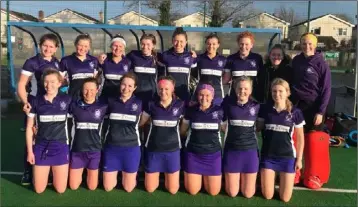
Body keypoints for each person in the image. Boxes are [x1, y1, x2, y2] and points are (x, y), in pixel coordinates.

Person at [17, 33, 61, 185]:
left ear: (56, 49)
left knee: (49, 136)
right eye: (45, 45)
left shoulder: (58, 63)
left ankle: (46, 171)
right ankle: (28, 171)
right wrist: (25, 102)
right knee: (33, 138)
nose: (47, 49)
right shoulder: (32, 62)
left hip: (52, 107)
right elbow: (22, 84)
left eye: (51, 46)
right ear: (40, 46)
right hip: (36, 104)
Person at [256, 78, 305, 202]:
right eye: (274, 91)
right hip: (268, 157)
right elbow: (257, 128)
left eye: (280, 91)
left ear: (287, 92)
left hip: (287, 157)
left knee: (285, 198)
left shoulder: (295, 112)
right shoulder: (265, 109)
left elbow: (300, 138)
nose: (277, 94)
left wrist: (299, 160)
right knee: (267, 195)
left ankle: (282, 181)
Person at [25, 69, 71, 194]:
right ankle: (45, 174)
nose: (48, 85)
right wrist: (30, 152)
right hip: (41, 147)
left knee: (60, 189)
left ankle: (52, 174)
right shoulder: (35, 101)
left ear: (59, 83)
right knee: (39, 190)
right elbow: (29, 127)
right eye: (46, 82)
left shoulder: (67, 100)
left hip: (61, 146)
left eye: (52, 82)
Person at [139, 76, 185, 194]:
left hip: (172, 150)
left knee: (173, 190)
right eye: (160, 89)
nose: (163, 92)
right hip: (154, 150)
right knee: (150, 189)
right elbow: (141, 123)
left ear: (172, 89)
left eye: (166, 89)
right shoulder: (151, 104)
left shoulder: (180, 105)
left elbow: (183, 128)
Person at [180, 83, 225, 196]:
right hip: (193, 154)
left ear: (213, 96)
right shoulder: (191, 110)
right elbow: (182, 131)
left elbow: (226, 129)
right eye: (201, 95)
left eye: (207, 95)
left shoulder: (220, 111)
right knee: (192, 191)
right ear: (197, 95)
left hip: (213, 155)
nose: (204, 98)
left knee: (213, 192)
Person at [102, 72, 142, 192]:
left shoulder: (139, 103)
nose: (126, 88)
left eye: (130, 86)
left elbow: (143, 121)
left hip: (131, 148)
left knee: (129, 188)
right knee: (108, 187)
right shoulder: (110, 101)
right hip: (112, 147)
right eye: (124, 85)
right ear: (120, 85)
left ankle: (129, 176)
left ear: (134, 88)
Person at [221, 76, 260, 198]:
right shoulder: (228, 104)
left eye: (246, 88)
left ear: (251, 90)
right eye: (240, 88)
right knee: (232, 193)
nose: (242, 91)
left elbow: (259, 126)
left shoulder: (257, 106)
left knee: (248, 194)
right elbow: (221, 124)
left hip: (250, 151)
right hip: (232, 151)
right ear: (235, 88)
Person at [68, 78, 107, 191]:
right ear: (82, 90)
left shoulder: (103, 107)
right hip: (77, 150)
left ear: (97, 90)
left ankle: (91, 173)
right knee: (74, 186)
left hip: (94, 151)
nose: (88, 93)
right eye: (86, 89)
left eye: (91, 90)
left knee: (92, 187)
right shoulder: (74, 106)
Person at [291, 33, 331, 132]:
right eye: (304, 44)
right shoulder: (296, 60)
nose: (307, 46)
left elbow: (326, 89)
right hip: (297, 106)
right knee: (297, 141)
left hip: (313, 107)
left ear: (315, 45)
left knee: (312, 143)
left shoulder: (322, 64)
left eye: (310, 44)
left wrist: (320, 112)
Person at [223, 31, 264, 102]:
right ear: (238, 44)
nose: (244, 47)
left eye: (247, 44)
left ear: (251, 45)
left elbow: (261, 79)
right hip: (235, 98)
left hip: (253, 98)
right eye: (241, 44)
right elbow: (226, 79)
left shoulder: (257, 58)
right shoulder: (231, 59)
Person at [160, 27, 197, 103]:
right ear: (172, 41)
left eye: (181, 41)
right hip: (168, 95)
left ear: (186, 42)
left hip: (185, 95)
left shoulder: (191, 57)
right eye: (176, 41)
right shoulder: (165, 56)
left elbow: (196, 76)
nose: (178, 44)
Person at [60, 34, 99, 100]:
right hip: (73, 98)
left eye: (86, 46)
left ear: (89, 47)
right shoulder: (66, 61)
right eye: (80, 45)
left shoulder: (94, 61)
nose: (83, 48)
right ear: (75, 44)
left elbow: (96, 81)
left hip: (89, 99)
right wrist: (63, 95)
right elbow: (60, 81)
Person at [191, 33, 226, 106]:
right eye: (208, 44)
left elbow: (226, 77)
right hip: (202, 95)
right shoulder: (199, 58)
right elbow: (193, 74)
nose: (211, 46)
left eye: (214, 44)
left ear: (218, 45)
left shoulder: (223, 60)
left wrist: (218, 84)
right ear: (206, 44)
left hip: (218, 95)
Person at [100, 34, 131, 99]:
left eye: (120, 46)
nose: (118, 48)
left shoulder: (128, 62)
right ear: (111, 47)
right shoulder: (104, 60)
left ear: (124, 48)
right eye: (115, 46)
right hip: (105, 97)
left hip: (121, 98)